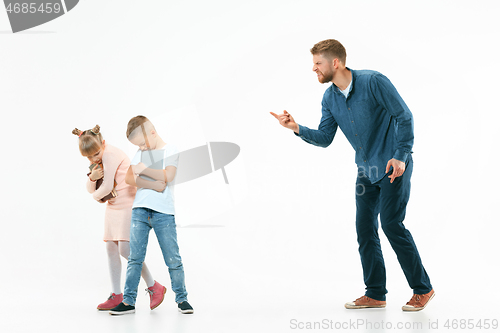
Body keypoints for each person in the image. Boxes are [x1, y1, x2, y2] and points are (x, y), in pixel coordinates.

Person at [270, 39, 434, 311]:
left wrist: (401, 155)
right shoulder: (329, 97)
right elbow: (325, 138)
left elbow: (404, 116)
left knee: (392, 225)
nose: (314, 69)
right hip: (366, 171)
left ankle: (423, 289)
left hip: (394, 166)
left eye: (317, 63)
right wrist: (296, 127)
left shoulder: (373, 82)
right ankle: (375, 294)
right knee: (364, 230)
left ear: (336, 62)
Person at [72, 125, 164, 311]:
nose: (93, 159)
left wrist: (95, 197)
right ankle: (116, 295)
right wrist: (92, 178)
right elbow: (92, 187)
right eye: (88, 157)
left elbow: (104, 189)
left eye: (95, 154)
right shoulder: (98, 158)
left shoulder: (110, 155)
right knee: (111, 247)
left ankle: (154, 286)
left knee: (125, 249)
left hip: (127, 203)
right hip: (113, 206)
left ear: (103, 144)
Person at [109, 116, 193, 315]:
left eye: (143, 143)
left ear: (152, 132)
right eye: (139, 145)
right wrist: (154, 183)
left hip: (164, 213)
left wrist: (144, 170)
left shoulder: (170, 150)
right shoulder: (140, 153)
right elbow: (130, 178)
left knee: (172, 258)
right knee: (135, 258)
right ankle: (129, 302)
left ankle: (182, 299)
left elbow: (169, 176)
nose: (143, 148)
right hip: (140, 210)